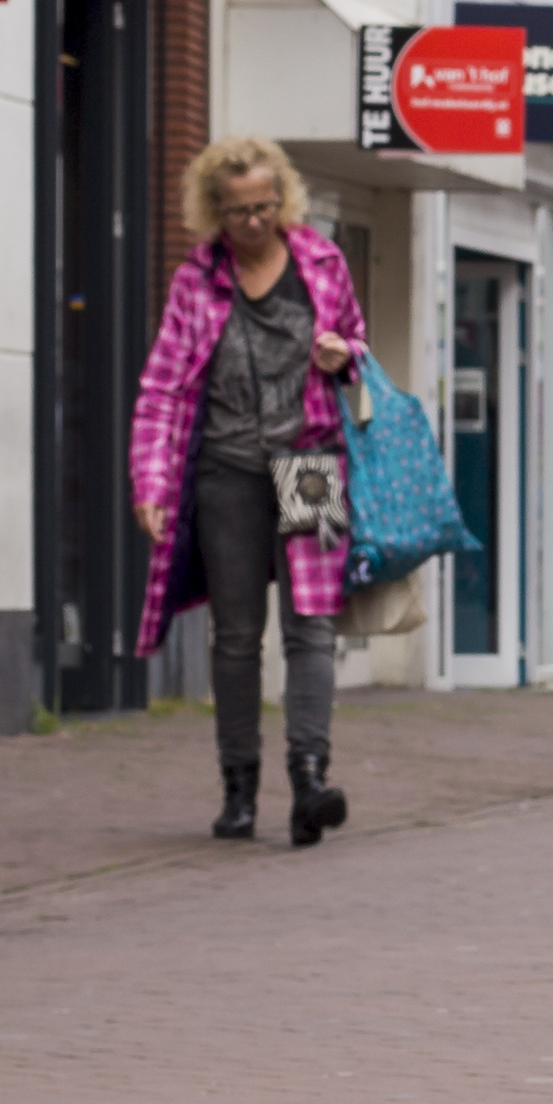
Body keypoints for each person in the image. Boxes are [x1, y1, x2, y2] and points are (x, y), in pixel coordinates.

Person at [126, 135, 366, 847]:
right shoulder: (195, 282)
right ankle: (238, 788)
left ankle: (311, 778)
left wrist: (342, 355)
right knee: (235, 636)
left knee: (311, 624)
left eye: (264, 206)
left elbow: (356, 344)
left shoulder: (322, 264)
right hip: (227, 469)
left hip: (311, 459)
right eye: (238, 212)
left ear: (281, 199)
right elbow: (162, 387)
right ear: (216, 212)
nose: (254, 222)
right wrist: (152, 480)